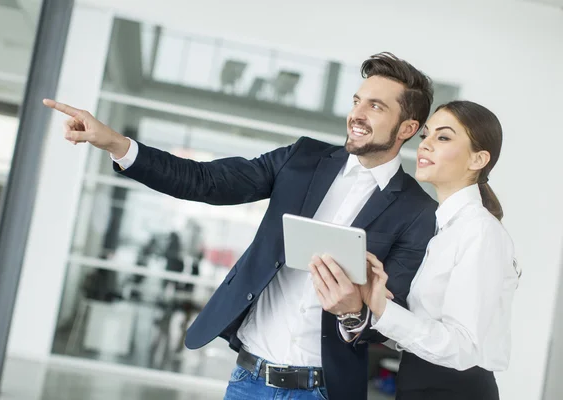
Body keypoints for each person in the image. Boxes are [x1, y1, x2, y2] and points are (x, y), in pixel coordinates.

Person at [43, 52, 437, 400]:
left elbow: (394, 314)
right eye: (356, 101)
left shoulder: (418, 211)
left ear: (406, 128)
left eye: (375, 107)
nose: (357, 114)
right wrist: (117, 144)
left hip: (323, 390)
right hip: (249, 381)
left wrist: (354, 312)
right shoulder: (301, 159)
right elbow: (206, 180)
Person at [311, 101, 518, 400]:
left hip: (453, 390)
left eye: (443, 137)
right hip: (418, 381)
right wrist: (371, 299)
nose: (425, 145)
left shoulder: (480, 231)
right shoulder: (443, 227)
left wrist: (381, 309)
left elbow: (464, 347)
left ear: (478, 159)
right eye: (425, 136)